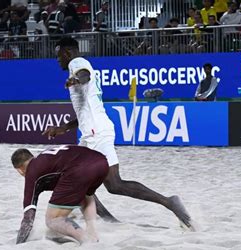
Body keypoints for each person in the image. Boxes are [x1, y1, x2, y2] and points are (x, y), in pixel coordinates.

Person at [43, 37, 194, 229]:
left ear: (66, 53)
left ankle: (166, 203)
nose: (58, 61)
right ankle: (113, 219)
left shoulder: (76, 63)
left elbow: (84, 75)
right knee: (101, 184)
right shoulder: (79, 65)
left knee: (106, 184)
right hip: (93, 131)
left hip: (96, 133)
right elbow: (86, 109)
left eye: (58, 57)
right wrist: (63, 128)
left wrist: (76, 79)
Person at [11, 145, 108, 244]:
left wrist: (18, 244)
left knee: (52, 219)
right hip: (102, 162)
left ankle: (86, 240)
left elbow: (28, 218)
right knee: (86, 195)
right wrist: (110, 219)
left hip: (79, 170)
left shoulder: (32, 172)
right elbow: (86, 193)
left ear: (20, 170)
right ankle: (93, 234)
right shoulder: (47, 157)